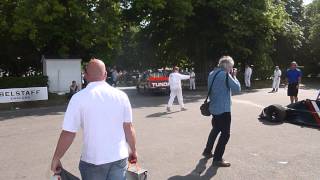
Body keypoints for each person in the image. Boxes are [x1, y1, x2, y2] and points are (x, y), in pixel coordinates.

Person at [51, 59, 137, 180]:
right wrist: (133, 150)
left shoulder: (78, 98)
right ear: (106, 74)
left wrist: (56, 158)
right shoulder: (121, 96)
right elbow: (129, 128)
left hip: (93, 160)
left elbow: (68, 133)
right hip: (119, 157)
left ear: (85, 75)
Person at [202, 56, 241, 167]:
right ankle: (217, 159)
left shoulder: (212, 73)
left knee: (216, 129)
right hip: (223, 110)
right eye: (231, 67)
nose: (231, 69)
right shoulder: (225, 75)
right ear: (227, 66)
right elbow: (237, 88)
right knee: (225, 134)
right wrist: (234, 76)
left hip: (214, 108)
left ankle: (207, 151)